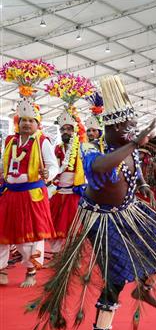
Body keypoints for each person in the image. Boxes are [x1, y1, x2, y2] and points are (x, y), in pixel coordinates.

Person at [28, 74, 156, 330]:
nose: (133, 131)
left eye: (134, 127)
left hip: (129, 210)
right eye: (129, 127)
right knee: (116, 276)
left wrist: (143, 185)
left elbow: (135, 170)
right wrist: (134, 144)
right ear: (114, 127)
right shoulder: (93, 148)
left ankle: (143, 286)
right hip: (102, 219)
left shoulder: (129, 150)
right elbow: (99, 168)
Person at [0, 59, 58, 288]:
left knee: (30, 237)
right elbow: (3, 164)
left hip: (31, 195)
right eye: (22, 120)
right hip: (9, 193)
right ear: (17, 122)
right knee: (2, 233)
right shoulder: (10, 141)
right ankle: (1, 270)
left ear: (37, 123)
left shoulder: (43, 141)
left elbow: (53, 165)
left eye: (30, 121)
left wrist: (48, 173)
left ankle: (31, 271)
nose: (26, 124)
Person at [49, 107, 87, 253]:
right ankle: (56, 254)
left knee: (73, 227)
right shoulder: (57, 148)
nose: (65, 132)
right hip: (59, 193)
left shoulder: (82, 148)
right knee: (55, 224)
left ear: (75, 130)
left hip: (74, 193)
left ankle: (71, 255)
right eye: (63, 129)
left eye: (69, 129)